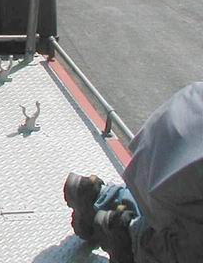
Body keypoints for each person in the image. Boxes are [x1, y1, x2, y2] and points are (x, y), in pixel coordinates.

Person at [64, 83, 203, 263]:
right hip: (187, 172)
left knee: (178, 206)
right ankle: (130, 237)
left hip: (181, 126)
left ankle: (101, 197)